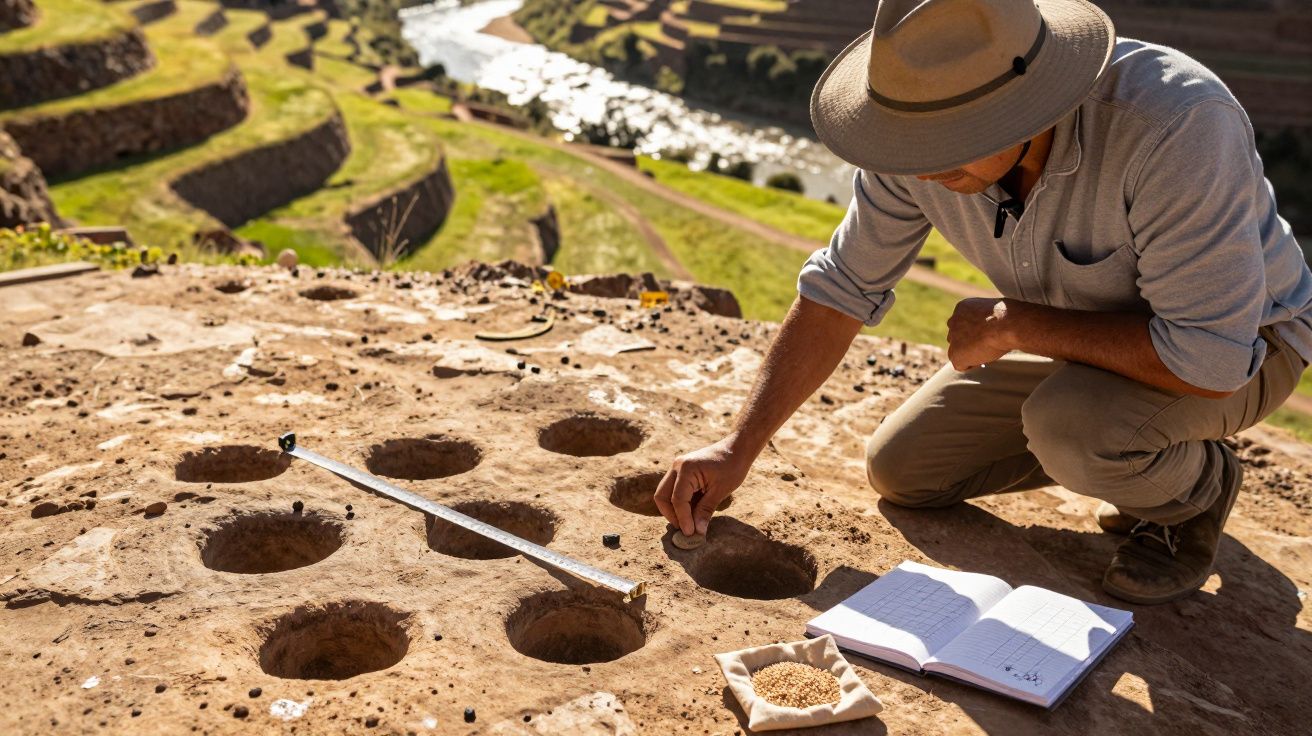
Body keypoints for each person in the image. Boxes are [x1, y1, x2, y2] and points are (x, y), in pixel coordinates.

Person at [654, 0, 1312, 604]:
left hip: (1247, 341)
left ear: (1029, 104)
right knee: (904, 470)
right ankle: (1126, 451)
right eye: (908, 141)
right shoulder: (910, 130)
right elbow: (839, 292)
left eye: (947, 139)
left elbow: (1209, 359)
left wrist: (1016, 324)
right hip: (1077, 337)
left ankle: (1195, 493)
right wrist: (738, 447)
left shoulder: (1176, 126)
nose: (917, 167)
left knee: (1073, 429)